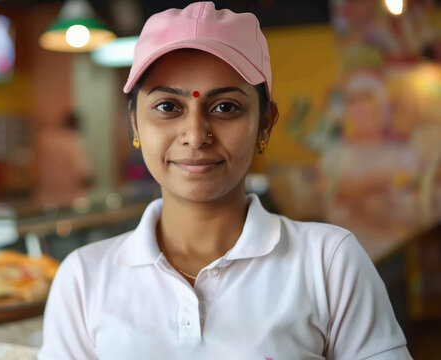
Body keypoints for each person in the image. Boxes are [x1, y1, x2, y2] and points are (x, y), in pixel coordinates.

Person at [38, 2, 411, 359]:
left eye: (225, 108)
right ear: (135, 123)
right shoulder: (84, 278)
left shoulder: (328, 263)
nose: (196, 135)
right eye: (168, 107)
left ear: (265, 123)